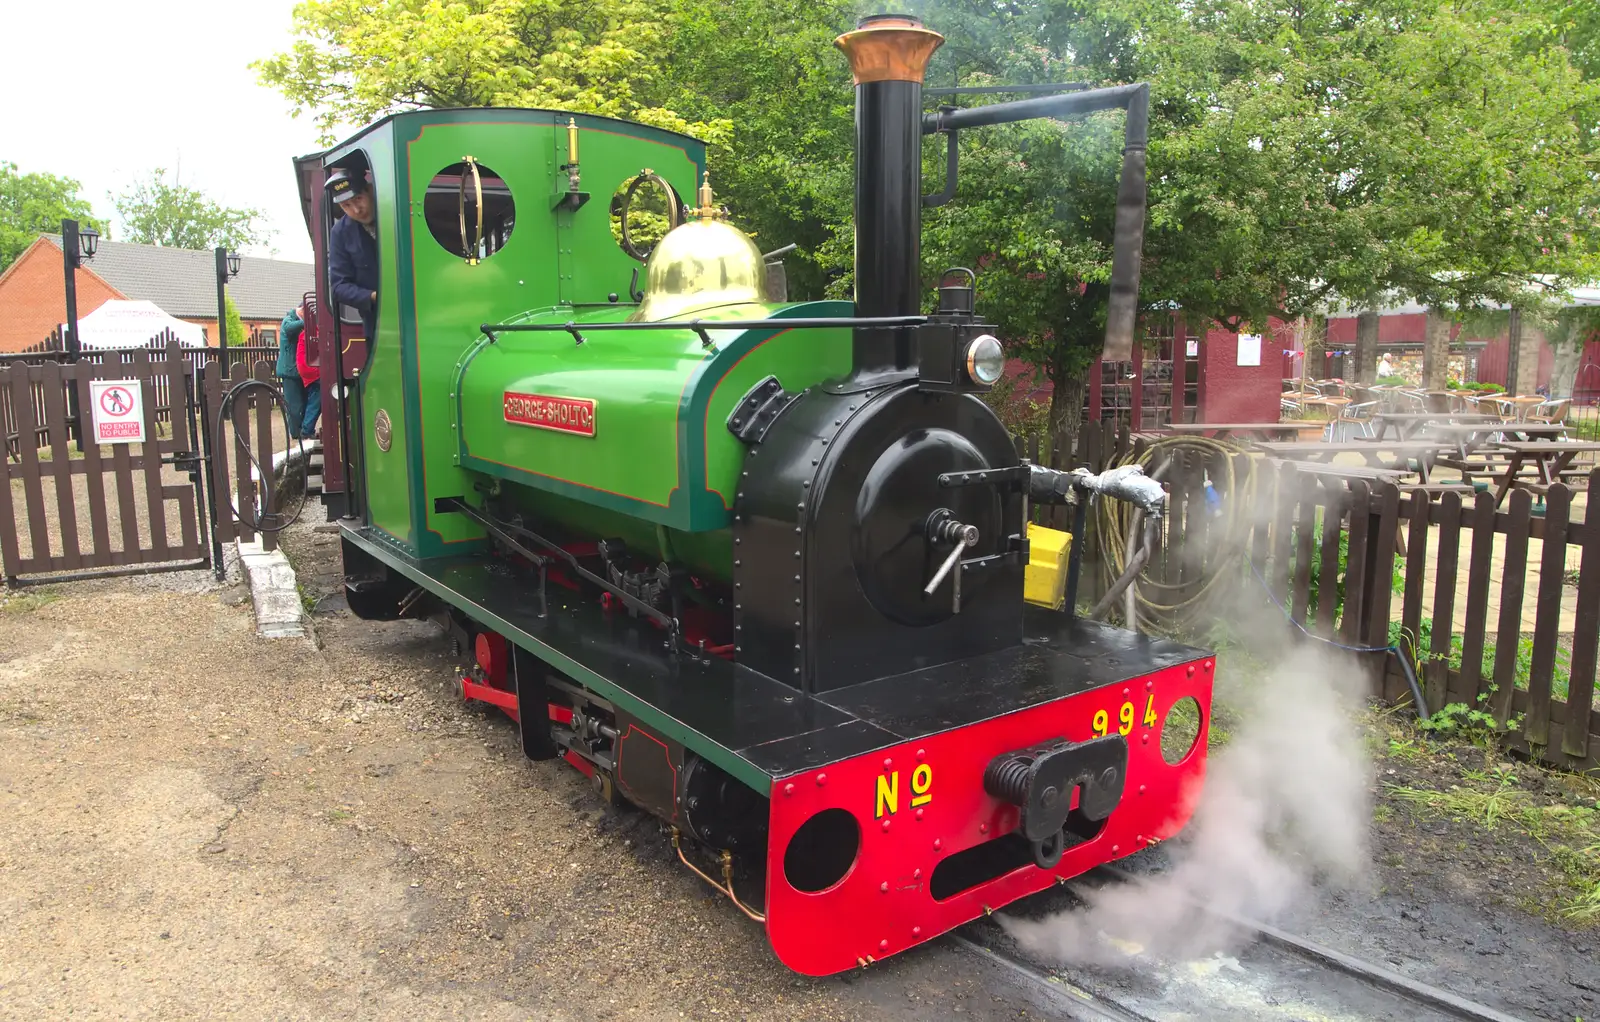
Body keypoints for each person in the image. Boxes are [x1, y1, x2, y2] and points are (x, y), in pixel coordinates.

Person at [326, 167, 379, 342]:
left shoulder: (397, 215)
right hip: (378, 325)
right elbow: (338, 287)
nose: (356, 210)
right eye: (346, 205)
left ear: (369, 190)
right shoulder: (340, 233)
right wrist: (373, 297)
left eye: (358, 199)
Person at [276, 304, 311, 439]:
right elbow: (288, 328)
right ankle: (296, 434)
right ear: (301, 311)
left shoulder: (295, 320)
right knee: (294, 406)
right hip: (290, 372)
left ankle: (302, 431)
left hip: (298, 371)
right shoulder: (288, 320)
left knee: (303, 403)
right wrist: (306, 322)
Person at [296, 305, 322, 441]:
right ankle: (306, 430)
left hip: (307, 368)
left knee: (316, 397)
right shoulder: (312, 333)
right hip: (311, 369)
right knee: (317, 398)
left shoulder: (308, 332)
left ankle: (308, 428)